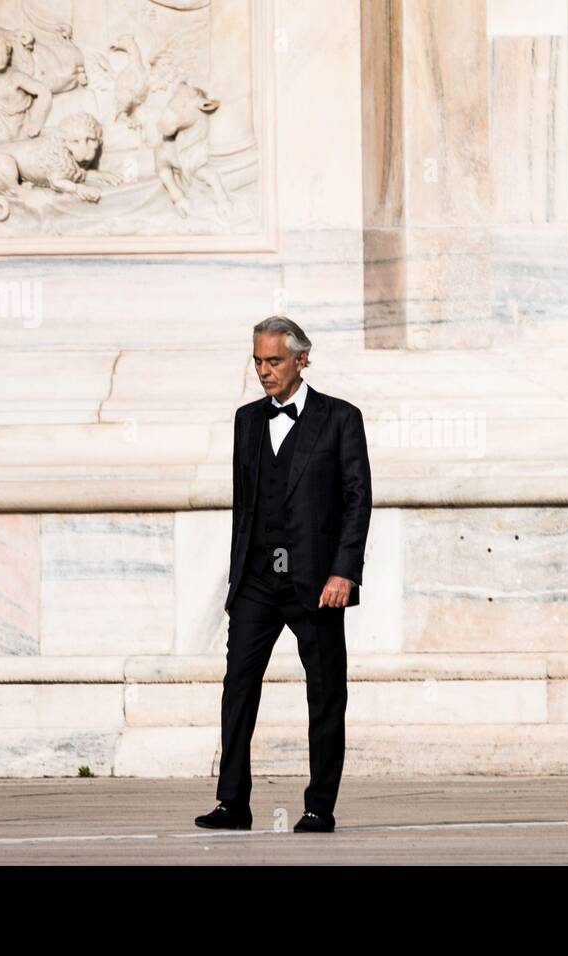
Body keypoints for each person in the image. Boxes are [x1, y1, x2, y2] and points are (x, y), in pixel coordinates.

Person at [195, 315, 373, 834]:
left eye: (273, 361)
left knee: (325, 692)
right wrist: (234, 583)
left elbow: (357, 499)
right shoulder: (246, 420)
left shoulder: (341, 418)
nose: (264, 371)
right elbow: (243, 506)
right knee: (238, 687)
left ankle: (319, 806)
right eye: (257, 361)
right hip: (255, 581)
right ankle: (233, 803)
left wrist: (345, 572)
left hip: (316, 580)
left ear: (302, 358)